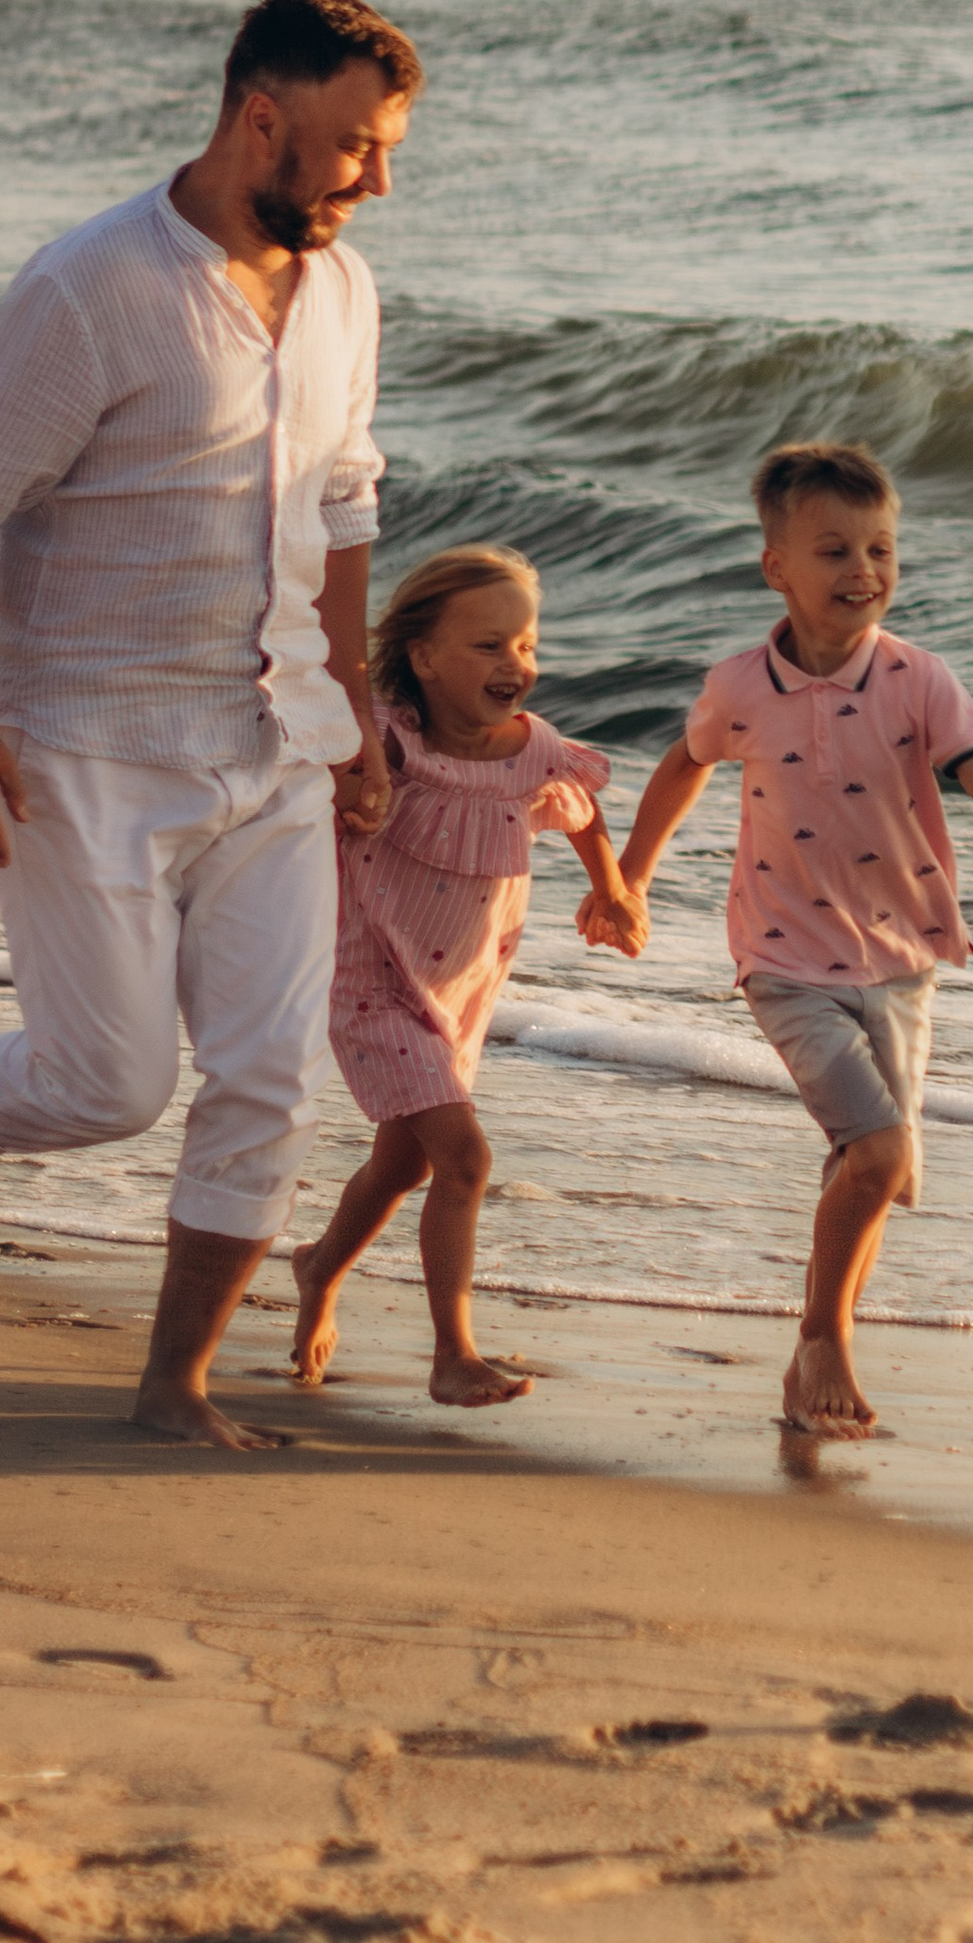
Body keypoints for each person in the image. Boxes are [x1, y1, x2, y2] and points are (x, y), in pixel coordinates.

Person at [0, 0, 421, 1449]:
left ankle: (174, 1385)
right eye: (358, 144)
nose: (378, 175)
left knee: (267, 1077)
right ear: (262, 119)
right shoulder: (92, 287)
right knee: (107, 1080)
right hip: (81, 751)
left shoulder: (345, 294)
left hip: (275, 747)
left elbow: (347, 492)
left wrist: (355, 711)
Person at [602, 440, 973, 1438]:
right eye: (833, 551)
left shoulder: (920, 680)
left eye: (880, 548)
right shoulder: (740, 684)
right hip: (782, 956)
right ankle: (823, 1337)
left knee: (878, 1170)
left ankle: (815, 1349)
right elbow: (682, 765)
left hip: (902, 960)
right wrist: (630, 878)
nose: (863, 571)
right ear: (776, 565)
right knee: (876, 1149)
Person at [290, 544, 648, 1409]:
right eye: (489, 646)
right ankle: (453, 1353)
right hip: (371, 973)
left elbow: (585, 812)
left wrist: (614, 889)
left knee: (404, 1166)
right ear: (423, 656)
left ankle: (317, 1268)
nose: (515, 664)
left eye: (525, 645)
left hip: (463, 986)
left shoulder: (535, 750)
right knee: (464, 1158)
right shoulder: (383, 738)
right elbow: (296, 777)